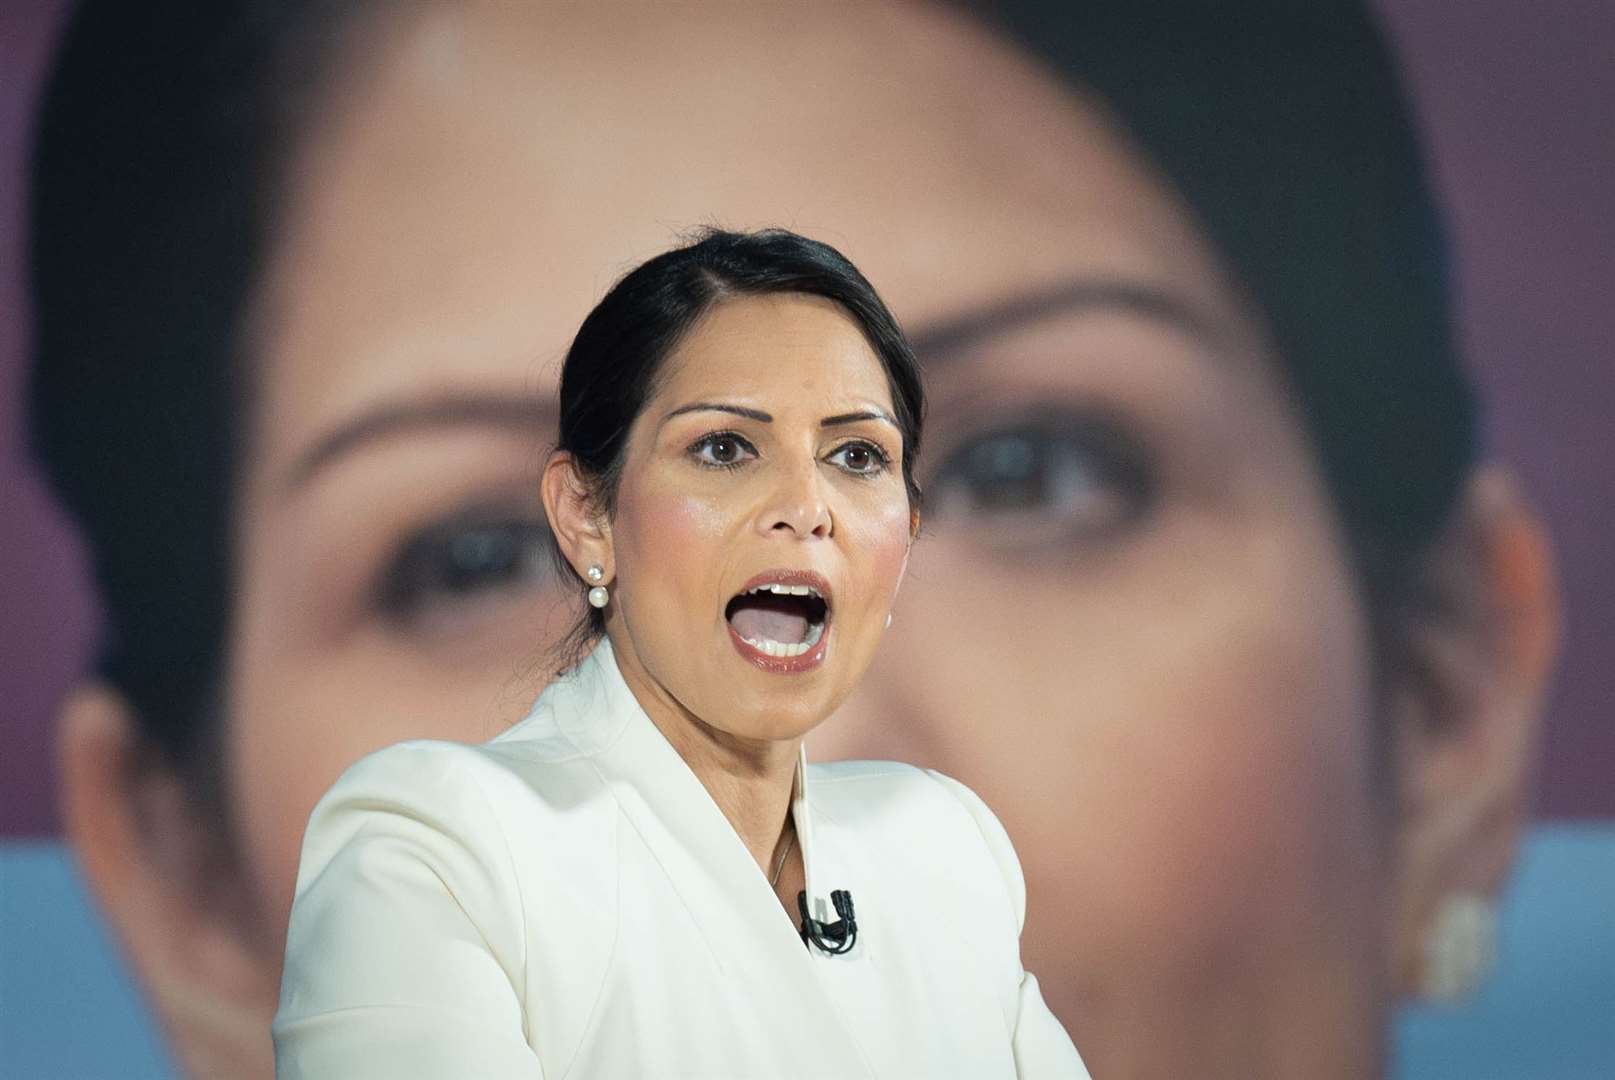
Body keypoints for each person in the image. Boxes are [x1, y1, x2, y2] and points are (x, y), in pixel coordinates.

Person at [27, 1, 1557, 1076]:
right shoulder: (425, 852)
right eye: (471, 553)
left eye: (1024, 471)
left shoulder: (943, 859)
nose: (791, 561)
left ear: (1437, 704)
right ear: (194, 895)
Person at [271, 227, 1087, 1077]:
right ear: (587, 516)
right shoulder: (436, 850)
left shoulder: (944, 850)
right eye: (725, 448)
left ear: (907, 536)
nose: (806, 506)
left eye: (856, 455)